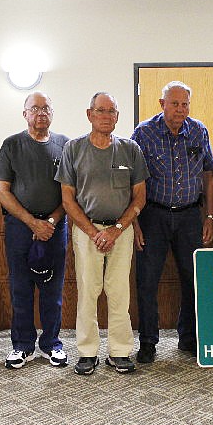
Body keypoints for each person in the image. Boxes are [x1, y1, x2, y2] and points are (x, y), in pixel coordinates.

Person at [55, 92, 148, 375]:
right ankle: (87, 352)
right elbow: (68, 200)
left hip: (121, 232)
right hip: (87, 232)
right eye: (101, 111)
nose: (107, 116)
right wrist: (94, 232)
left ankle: (119, 351)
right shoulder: (73, 149)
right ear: (89, 114)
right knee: (88, 291)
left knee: (119, 292)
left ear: (118, 117)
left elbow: (139, 197)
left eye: (112, 111)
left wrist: (117, 229)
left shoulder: (130, 149)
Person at [131, 81, 213, 363]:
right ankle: (148, 342)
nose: (180, 109)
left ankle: (189, 339)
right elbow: (132, 181)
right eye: (175, 103)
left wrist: (210, 215)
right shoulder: (144, 133)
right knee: (147, 281)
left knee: (193, 279)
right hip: (153, 214)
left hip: (191, 215)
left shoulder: (198, 130)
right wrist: (134, 223)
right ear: (162, 104)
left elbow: (208, 174)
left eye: (185, 104)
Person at [0, 92, 69, 369]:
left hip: (55, 228)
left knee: (53, 289)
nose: (41, 113)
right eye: (35, 108)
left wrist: (50, 222)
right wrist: (31, 222)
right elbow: (2, 192)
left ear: (52, 113)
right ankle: (22, 346)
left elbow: (69, 193)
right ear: (24, 113)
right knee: (21, 288)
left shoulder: (64, 145)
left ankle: (52, 344)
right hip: (19, 228)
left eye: (46, 108)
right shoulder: (11, 145)